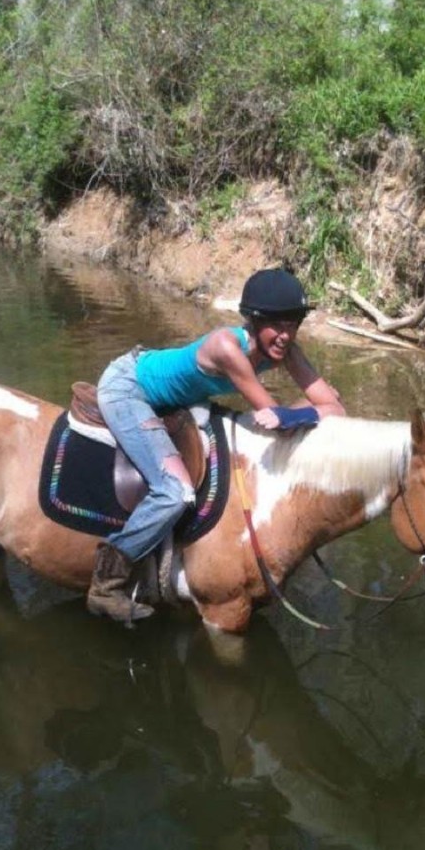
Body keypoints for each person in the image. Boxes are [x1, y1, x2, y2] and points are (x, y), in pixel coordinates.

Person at [88, 267, 346, 624]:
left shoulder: (285, 350)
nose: (286, 335)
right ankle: (106, 584)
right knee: (175, 492)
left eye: (293, 324)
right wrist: (292, 414)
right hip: (129, 389)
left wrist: (289, 416)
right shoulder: (227, 347)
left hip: (183, 401)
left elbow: (335, 406)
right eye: (277, 324)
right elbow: (272, 411)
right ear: (254, 321)